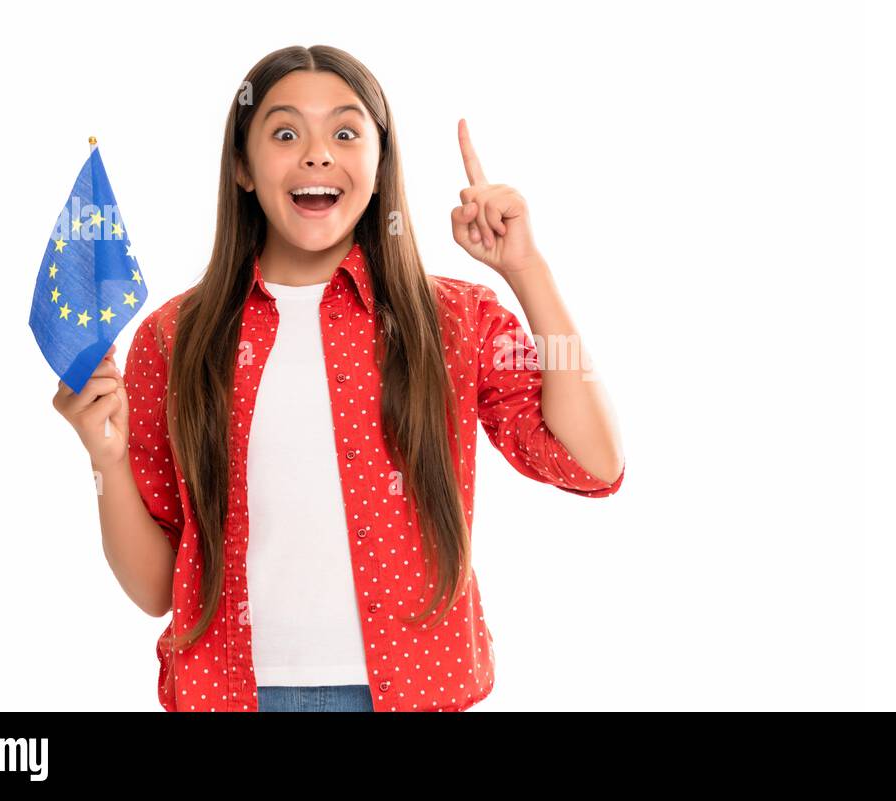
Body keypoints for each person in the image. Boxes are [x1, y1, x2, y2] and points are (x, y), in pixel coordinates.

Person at [53, 44, 625, 712]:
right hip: (234, 694)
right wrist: (106, 458)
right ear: (242, 166)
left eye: (347, 133)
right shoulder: (174, 337)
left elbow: (593, 462)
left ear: (380, 166)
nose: (318, 154)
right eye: (286, 132)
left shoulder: (456, 320)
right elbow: (156, 588)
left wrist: (529, 270)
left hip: (414, 690)